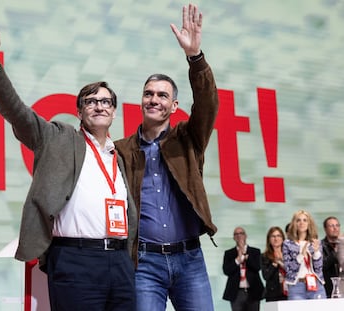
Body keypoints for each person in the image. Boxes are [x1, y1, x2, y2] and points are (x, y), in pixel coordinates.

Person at [0, 21, 138, 311]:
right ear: (79, 111)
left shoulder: (117, 155)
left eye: (106, 101)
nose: (99, 105)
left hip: (119, 262)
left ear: (114, 111)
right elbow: (18, 113)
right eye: (91, 101)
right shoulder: (58, 138)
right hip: (75, 260)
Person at [114, 4, 218, 311]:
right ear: (141, 101)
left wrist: (195, 58)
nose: (154, 100)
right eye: (148, 94)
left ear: (174, 106)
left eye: (162, 95)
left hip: (190, 260)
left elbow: (208, 103)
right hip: (144, 263)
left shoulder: (189, 139)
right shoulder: (121, 150)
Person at [282, 210, 326, 300]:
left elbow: (318, 268)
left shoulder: (315, 242)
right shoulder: (288, 244)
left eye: (305, 220)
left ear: (309, 223)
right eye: (298, 220)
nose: (302, 223)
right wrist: (301, 255)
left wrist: (317, 252)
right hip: (297, 286)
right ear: (294, 223)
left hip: (316, 284)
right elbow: (289, 268)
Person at [222, 227, 264, 311]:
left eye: (241, 233)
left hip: (253, 291)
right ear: (233, 238)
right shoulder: (229, 253)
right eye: (236, 234)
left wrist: (244, 255)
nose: (239, 236)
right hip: (236, 292)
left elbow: (257, 267)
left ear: (245, 236)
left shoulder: (255, 251)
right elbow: (226, 270)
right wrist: (237, 260)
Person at [261, 226, 288, 301]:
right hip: (273, 294)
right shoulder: (264, 256)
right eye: (273, 236)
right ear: (269, 239)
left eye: (278, 236)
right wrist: (274, 263)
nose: (276, 239)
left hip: (289, 292)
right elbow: (266, 276)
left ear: (282, 238)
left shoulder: (289, 254)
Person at [321, 216, 341, 297]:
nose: (335, 228)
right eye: (331, 226)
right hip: (328, 288)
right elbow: (322, 265)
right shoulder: (320, 245)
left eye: (337, 225)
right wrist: (335, 253)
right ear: (325, 229)